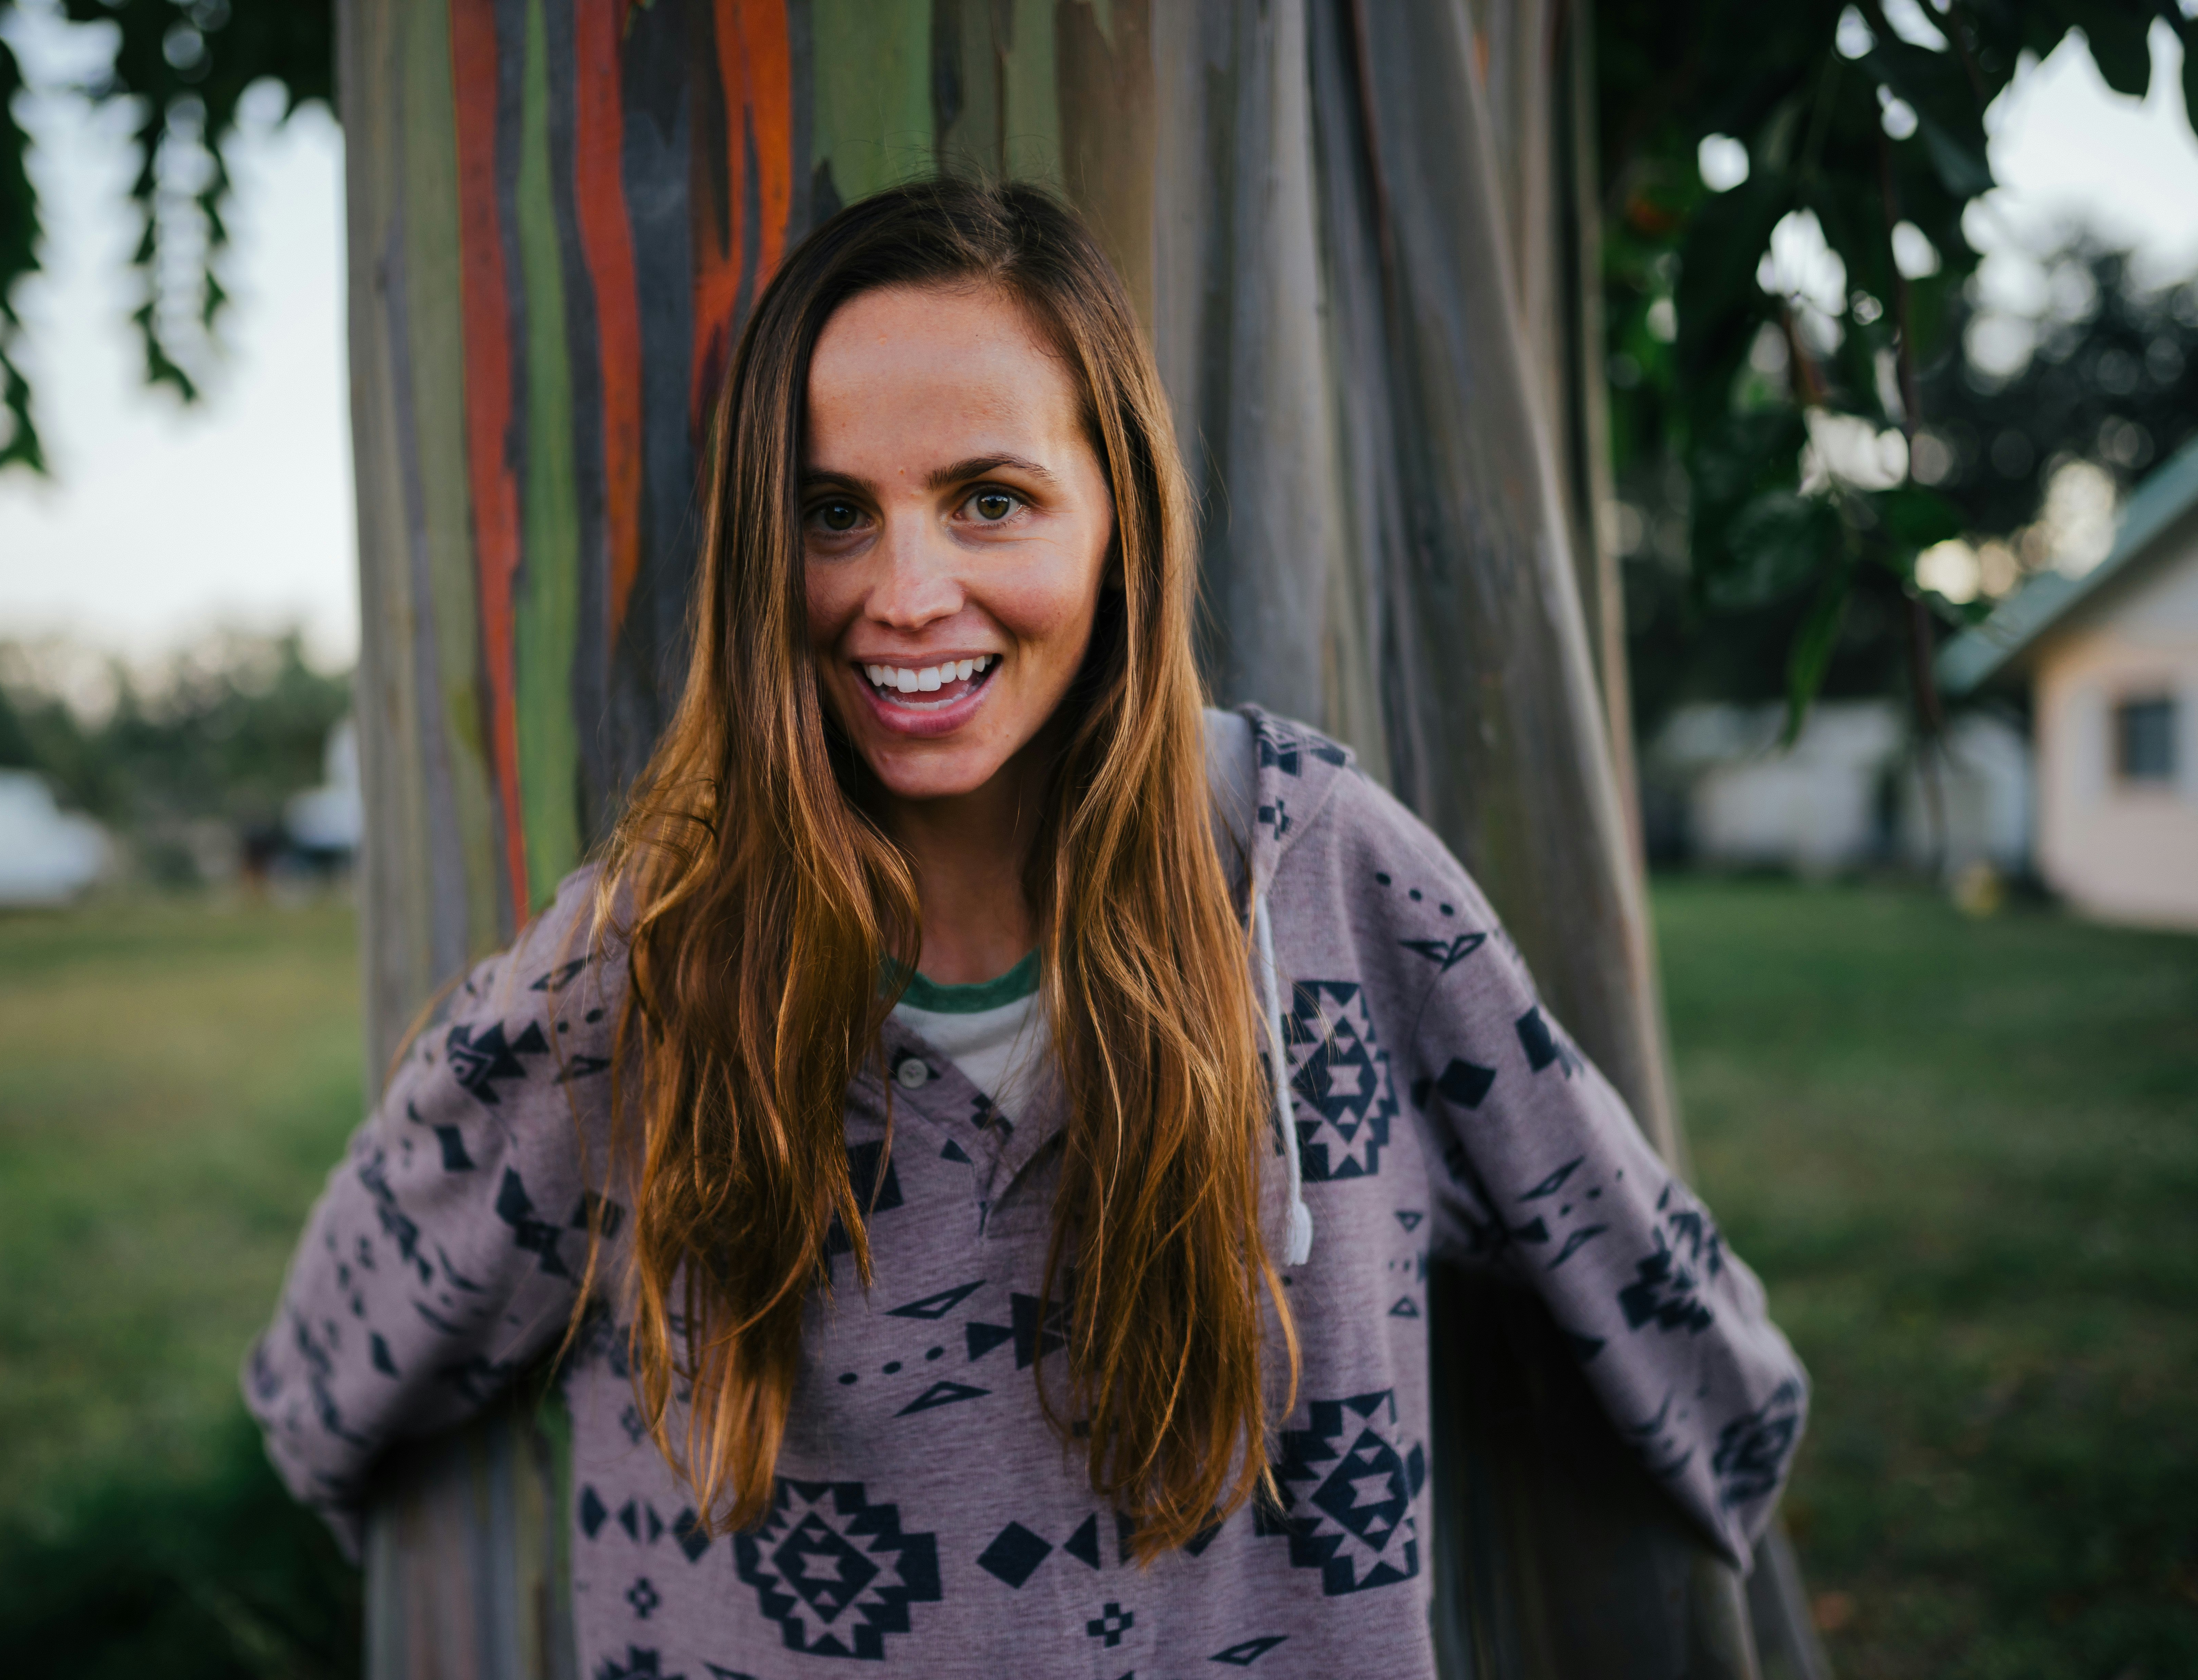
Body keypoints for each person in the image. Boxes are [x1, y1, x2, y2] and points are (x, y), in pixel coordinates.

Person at [245, 177, 1804, 1678]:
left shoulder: (1318, 885)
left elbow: (1670, 1314)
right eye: (832, 513)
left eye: (990, 501)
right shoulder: (639, 969)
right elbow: (330, 1368)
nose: (907, 591)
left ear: (1121, 513)